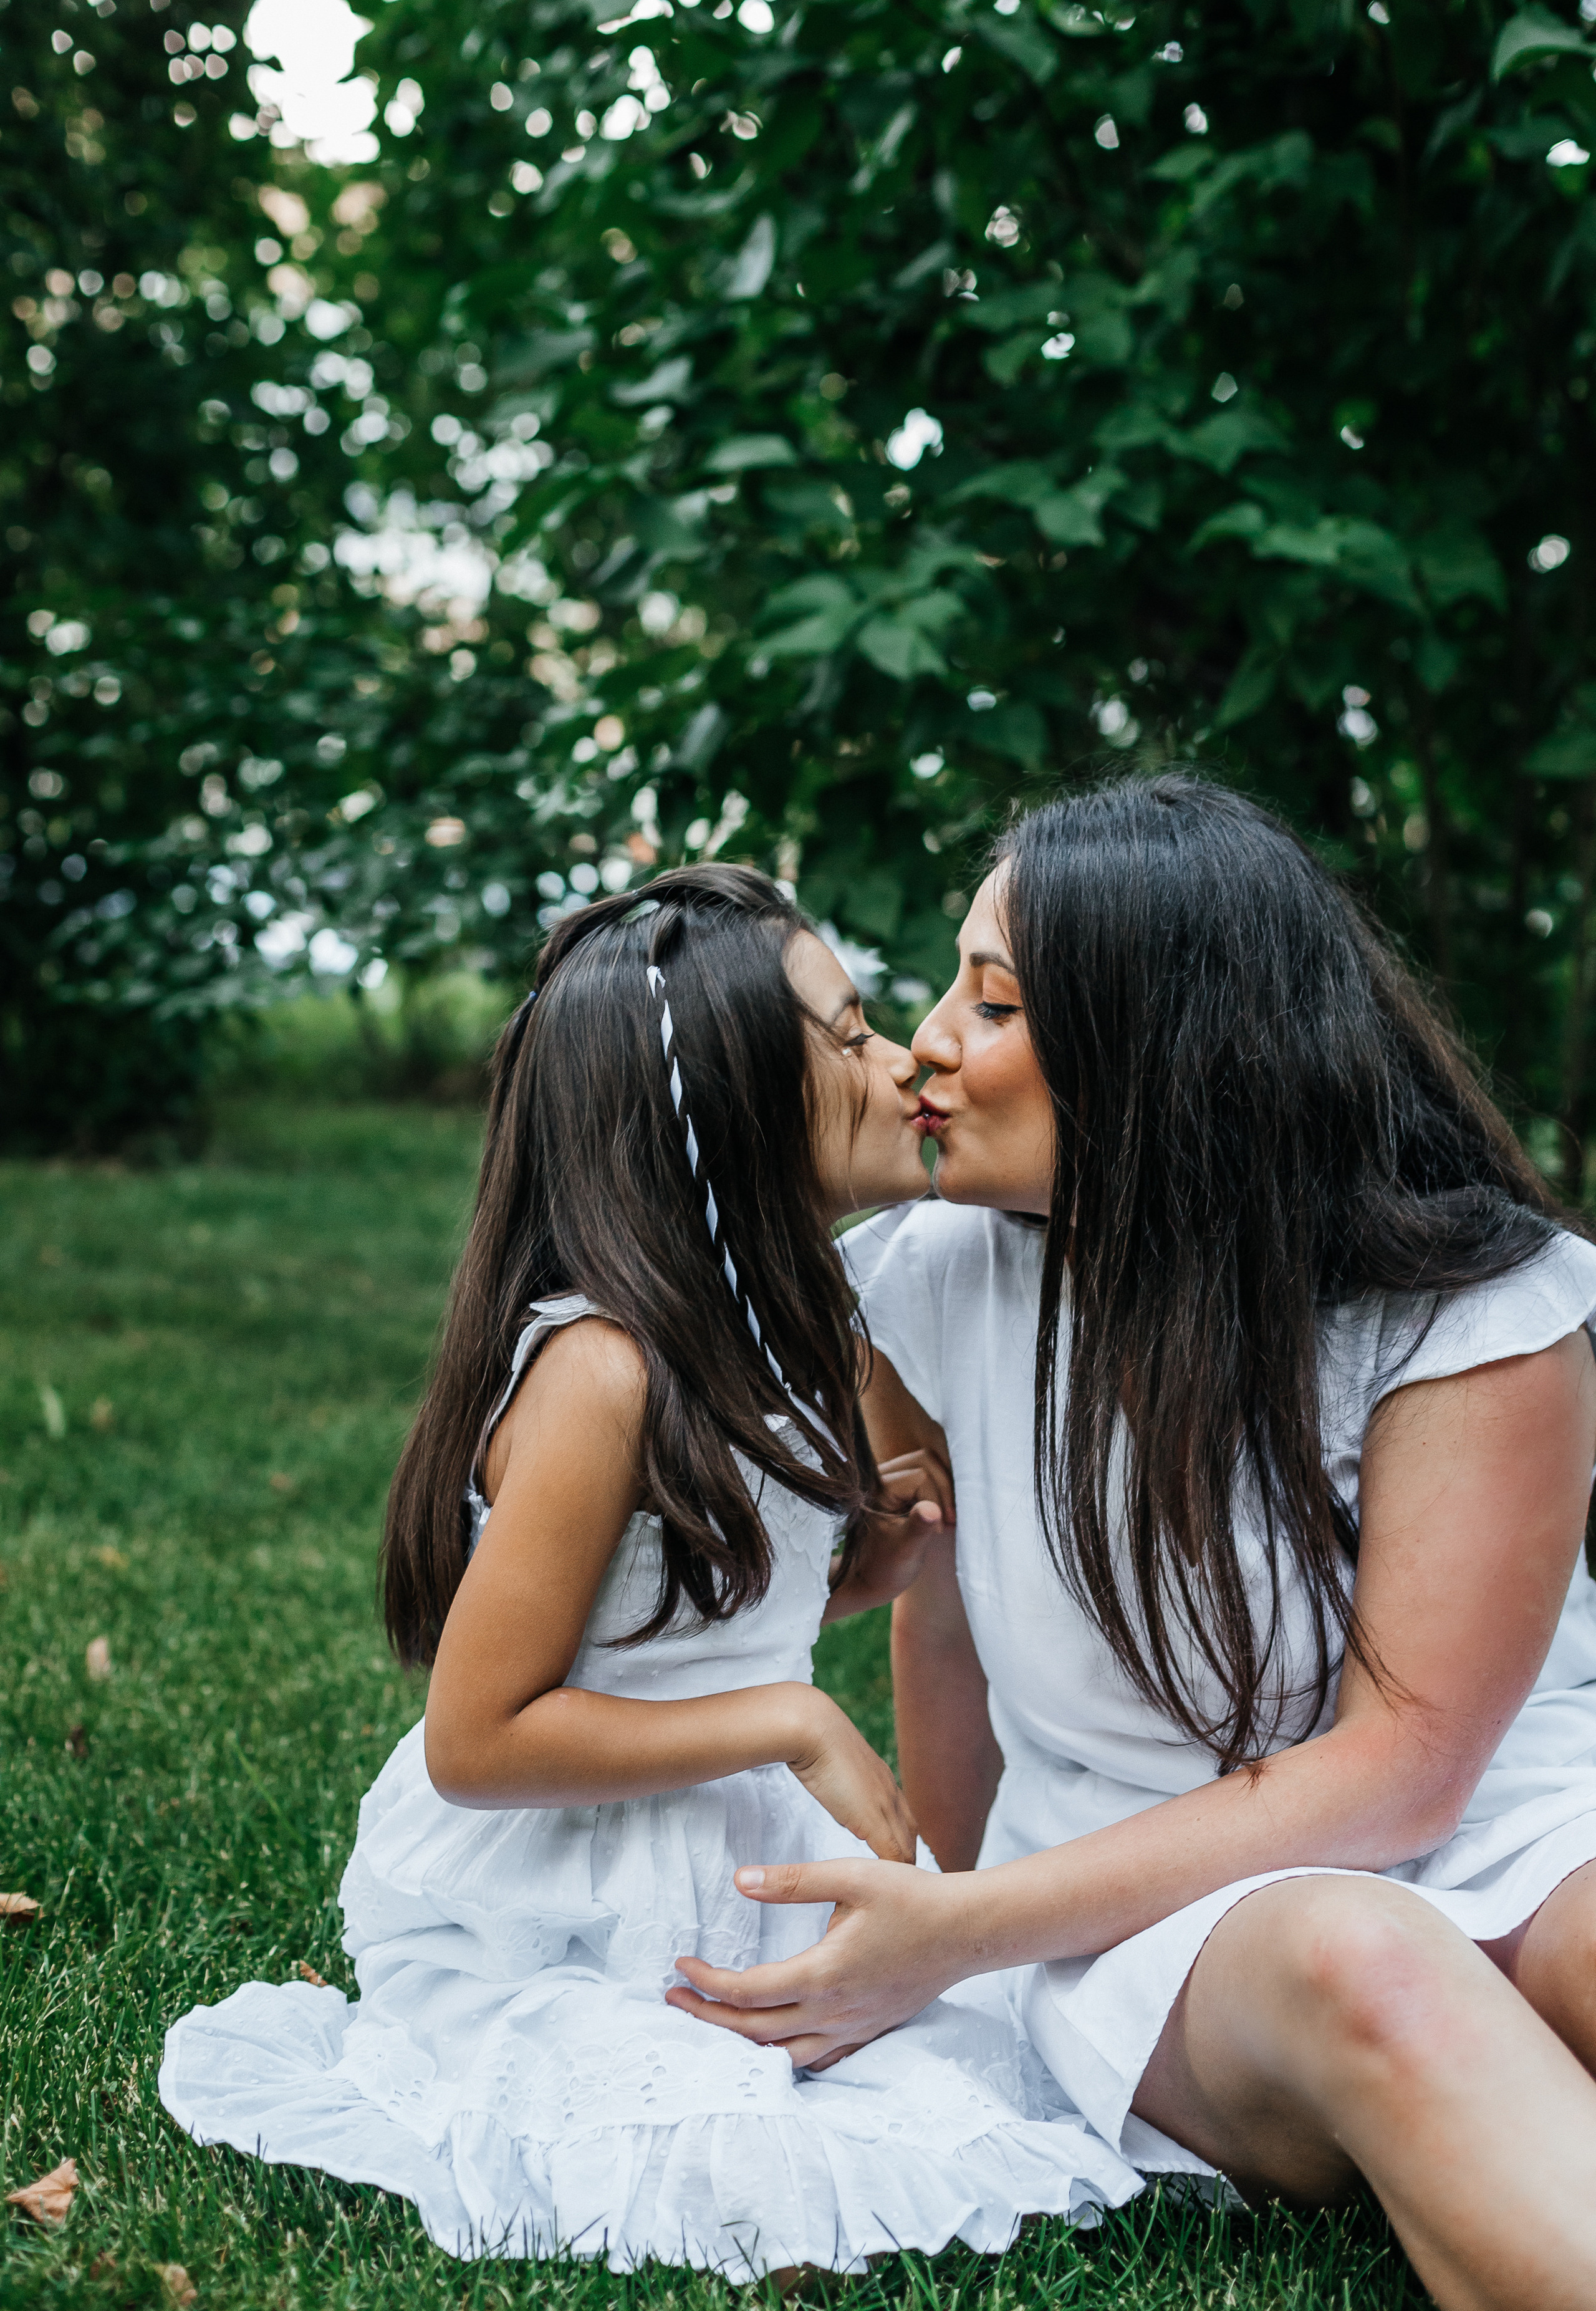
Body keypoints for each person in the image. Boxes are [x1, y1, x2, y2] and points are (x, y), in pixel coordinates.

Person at [668, 783, 1596, 2311]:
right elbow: (948, 1619)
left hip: (1509, 1806)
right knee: (1366, 1962)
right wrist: (947, 1922)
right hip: (1154, 1893)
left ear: (1164, 1053)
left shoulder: (1475, 1306)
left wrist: (951, 1930)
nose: (928, 1046)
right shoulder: (928, 1276)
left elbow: (1410, 1765)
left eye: (995, 1001)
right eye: (950, 983)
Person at [158, 866, 1137, 2280]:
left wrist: (865, 1566)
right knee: (708, 2137)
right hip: (568, 1882)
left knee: (987, 2062)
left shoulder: (815, 1325)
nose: (898, 1058)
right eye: (849, 1035)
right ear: (733, 1105)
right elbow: (477, 1738)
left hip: (740, 1856)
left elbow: (719, 1613)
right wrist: (792, 1717)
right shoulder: (600, 1370)